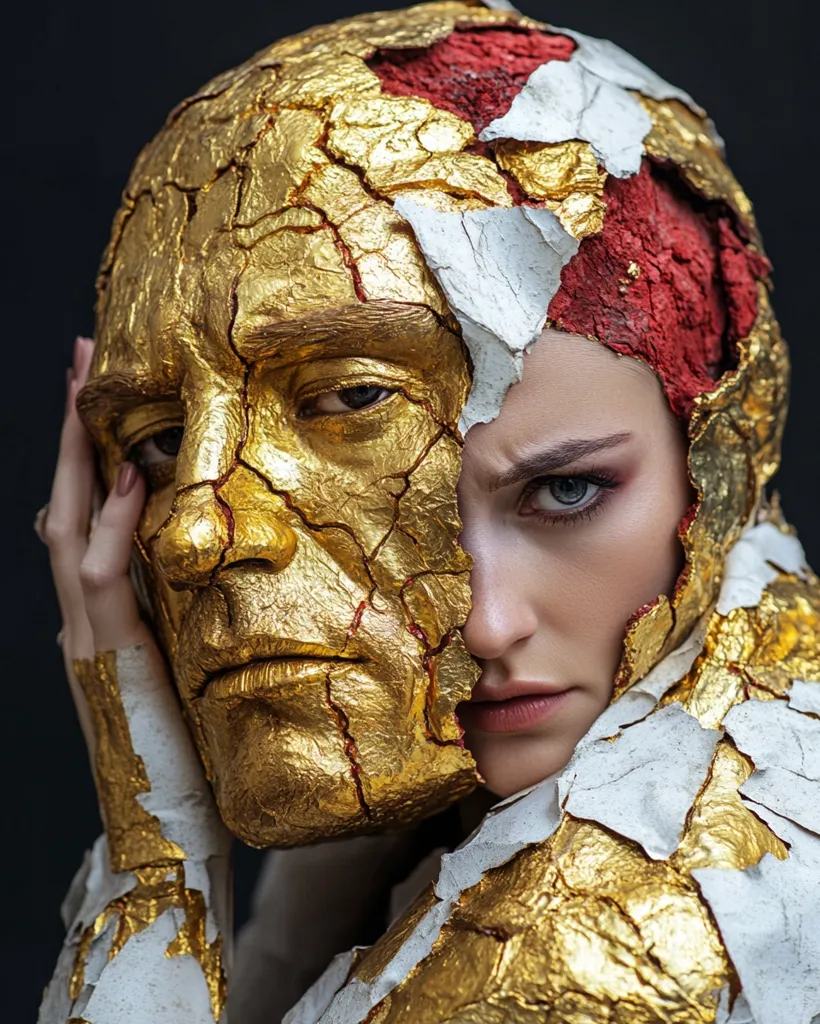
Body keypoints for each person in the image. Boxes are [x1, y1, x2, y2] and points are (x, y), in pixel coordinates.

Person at [37, 3, 820, 1023]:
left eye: (353, 398)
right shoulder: (488, 789)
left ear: (723, 442)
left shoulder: (613, 946)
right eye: (161, 437)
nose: (193, 534)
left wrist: (154, 860)